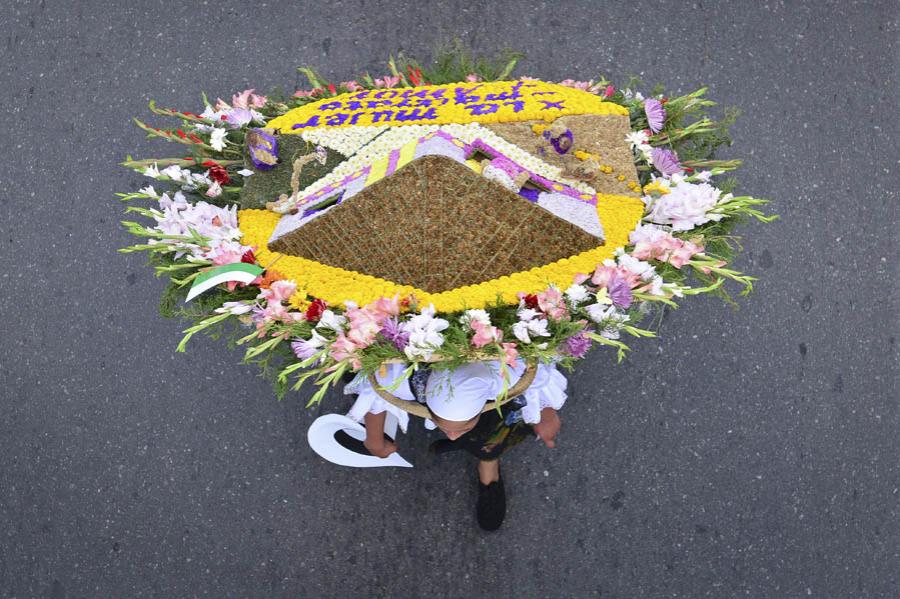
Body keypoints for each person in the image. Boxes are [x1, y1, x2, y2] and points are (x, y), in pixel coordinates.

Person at [344, 360, 567, 530]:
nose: (451, 436)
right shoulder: (400, 379)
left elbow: (537, 379)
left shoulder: (506, 376)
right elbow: (375, 393)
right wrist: (373, 439)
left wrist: (547, 414)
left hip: (489, 403)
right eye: (441, 424)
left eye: (460, 428)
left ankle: (488, 460)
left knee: (493, 430)